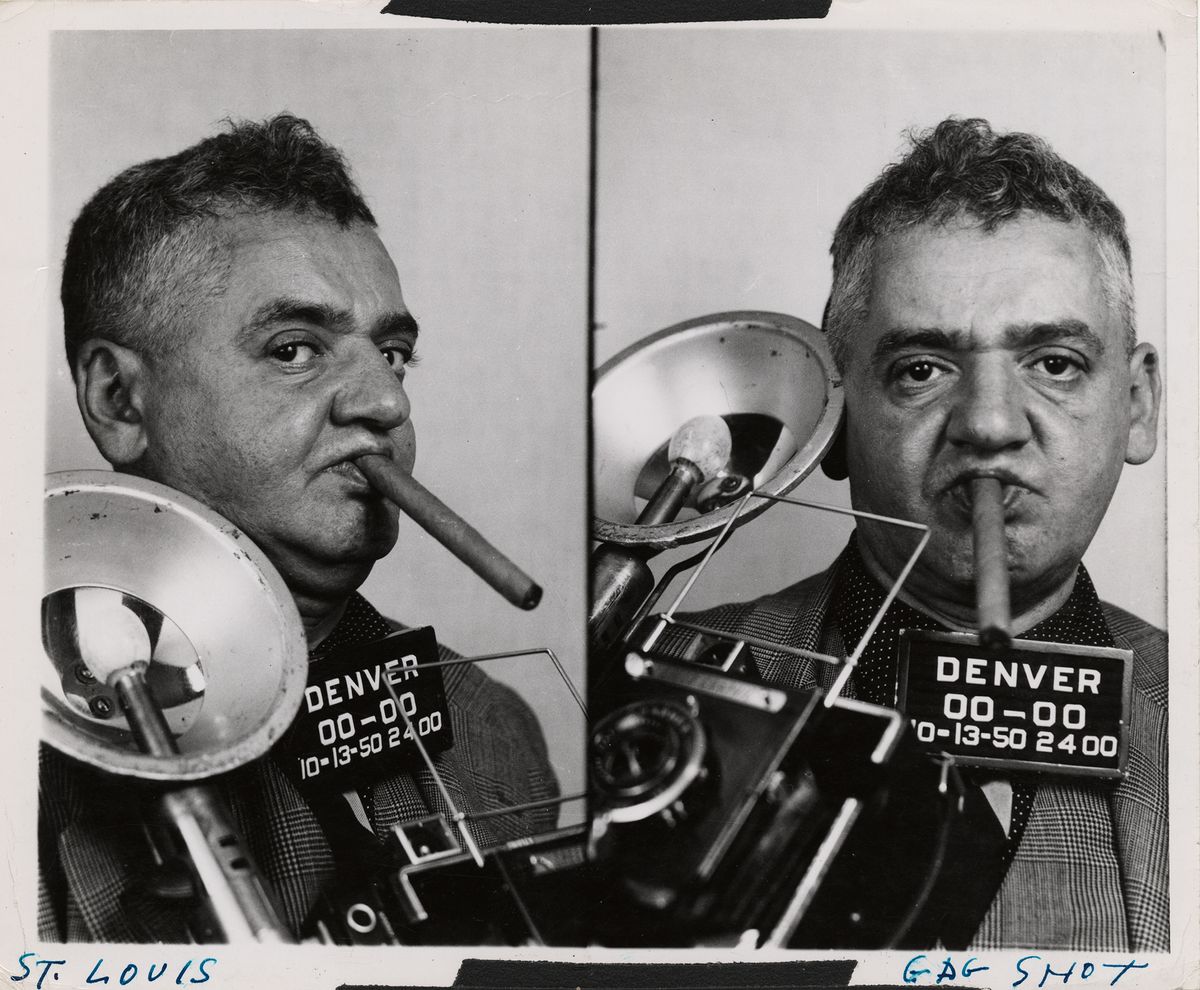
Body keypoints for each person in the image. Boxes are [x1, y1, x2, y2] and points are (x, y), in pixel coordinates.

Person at [39, 114, 558, 942]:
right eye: (294, 349)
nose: (387, 403)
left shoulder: (489, 722)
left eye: (394, 353)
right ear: (117, 400)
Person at [659, 118, 1166, 951]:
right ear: (831, 411)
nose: (991, 425)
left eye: (1056, 363)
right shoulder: (652, 694)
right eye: (922, 369)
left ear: (1139, 404)